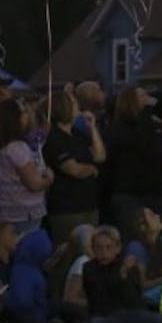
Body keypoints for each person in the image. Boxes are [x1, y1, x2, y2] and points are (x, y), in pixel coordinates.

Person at [42, 89, 105, 247]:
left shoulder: (77, 134)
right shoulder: (55, 138)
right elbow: (73, 169)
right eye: (74, 103)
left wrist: (92, 128)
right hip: (67, 208)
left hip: (89, 204)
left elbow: (100, 156)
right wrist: (92, 169)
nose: (78, 106)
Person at [104, 86, 162, 228]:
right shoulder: (117, 128)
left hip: (153, 191)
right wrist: (147, 110)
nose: (148, 99)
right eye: (143, 96)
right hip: (128, 193)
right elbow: (140, 141)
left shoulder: (154, 125)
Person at [0, 98, 53, 235]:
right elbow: (34, 184)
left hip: (4, 210)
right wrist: (49, 178)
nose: (27, 115)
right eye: (23, 113)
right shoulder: (17, 147)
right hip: (24, 213)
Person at [124, 206, 162, 307]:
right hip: (146, 297)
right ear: (142, 226)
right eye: (152, 216)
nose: (158, 216)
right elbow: (143, 286)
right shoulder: (136, 247)